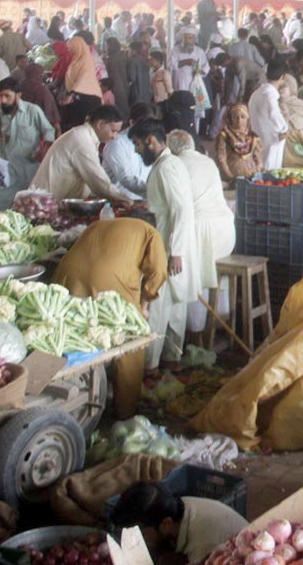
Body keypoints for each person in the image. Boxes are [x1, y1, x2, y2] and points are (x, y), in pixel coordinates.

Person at [54, 219, 168, 418]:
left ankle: (64, 402)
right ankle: (126, 412)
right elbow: (158, 273)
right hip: (108, 279)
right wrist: (143, 305)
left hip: (66, 274)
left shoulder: (99, 223)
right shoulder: (150, 233)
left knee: (75, 333)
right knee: (131, 341)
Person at [131, 118, 198, 371]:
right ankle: (171, 360)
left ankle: (150, 366)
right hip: (170, 242)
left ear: (150, 142)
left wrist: (176, 252)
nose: (138, 151)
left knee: (158, 306)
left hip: (169, 246)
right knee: (173, 306)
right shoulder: (167, 163)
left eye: (138, 145)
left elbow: (180, 210)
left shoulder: (167, 166)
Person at [168, 130, 236, 339]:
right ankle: (220, 328)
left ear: (172, 149)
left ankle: (195, 334)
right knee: (213, 277)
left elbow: (178, 210)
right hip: (225, 230)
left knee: (190, 278)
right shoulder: (206, 161)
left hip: (199, 229)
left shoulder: (174, 165)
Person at [109, 480, 247, 565]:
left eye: (138, 533)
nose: (134, 539)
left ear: (166, 524)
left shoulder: (204, 546)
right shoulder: (182, 504)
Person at [31, 104, 132, 204]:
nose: (114, 136)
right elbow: (99, 182)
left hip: (48, 203)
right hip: (42, 206)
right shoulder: (82, 141)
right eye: (113, 131)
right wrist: (127, 201)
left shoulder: (84, 136)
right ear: (100, 124)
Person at [0, 77, 55, 212]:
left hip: (29, 167)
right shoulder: (0, 110)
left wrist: (43, 148)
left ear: (18, 95)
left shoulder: (33, 111)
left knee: (29, 206)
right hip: (7, 166)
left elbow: (49, 131)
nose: (3, 100)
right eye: (1, 96)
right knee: (1, 204)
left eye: (7, 96)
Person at [103, 102, 156, 201]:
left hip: (144, 202)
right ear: (132, 122)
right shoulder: (117, 143)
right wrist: (155, 191)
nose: (148, 129)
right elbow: (126, 178)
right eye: (144, 125)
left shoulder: (150, 141)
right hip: (120, 204)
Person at [247, 61, 290, 171]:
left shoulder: (257, 93)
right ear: (283, 77)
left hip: (258, 136)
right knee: (270, 170)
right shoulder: (269, 95)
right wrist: (283, 129)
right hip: (270, 139)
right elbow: (273, 113)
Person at [214, 102, 265, 181]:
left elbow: (258, 158)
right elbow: (221, 159)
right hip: (232, 178)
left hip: (252, 177)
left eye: (243, 117)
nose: (239, 120)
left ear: (247, 118)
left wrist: (259, 173)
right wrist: (230, 178)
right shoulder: (224, 135)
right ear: (231, 119)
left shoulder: (253, 136)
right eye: (235, 117)